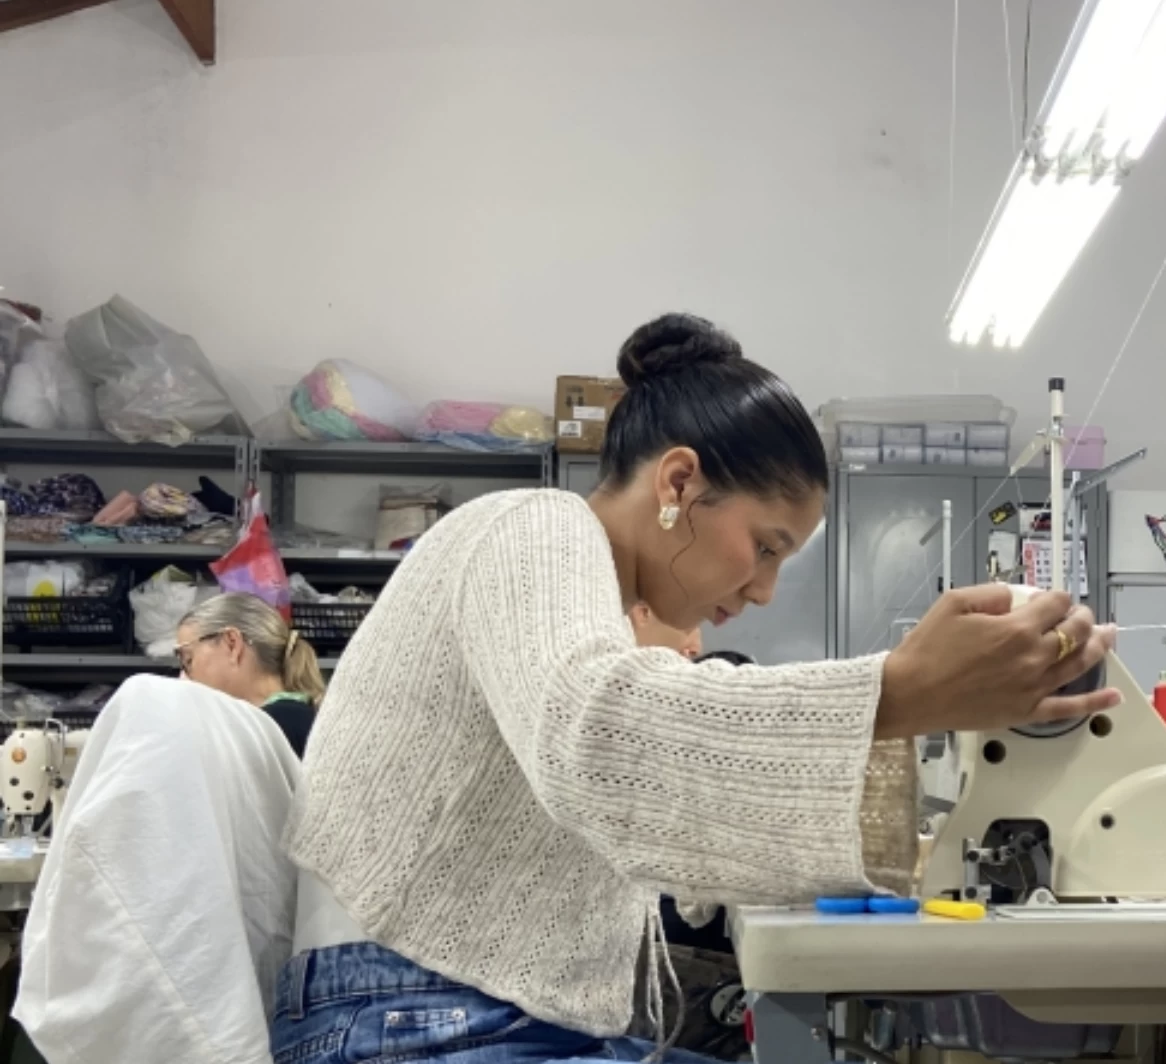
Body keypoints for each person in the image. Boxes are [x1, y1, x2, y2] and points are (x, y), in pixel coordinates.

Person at [273, 312, 1117, 1064]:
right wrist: (896, 694)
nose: (765, 591)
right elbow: (592, 734)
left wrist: (896, 718)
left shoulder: (591, 596)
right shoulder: (533, 524)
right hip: (410, 1018)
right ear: (678, 484)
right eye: (766, 546)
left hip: (466, 1014)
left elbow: (649, 815)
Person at [175, 591, 326, 758]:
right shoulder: (296, 715)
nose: (184, 677)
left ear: (232, 643)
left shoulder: (273, 726)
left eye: (188, 660)